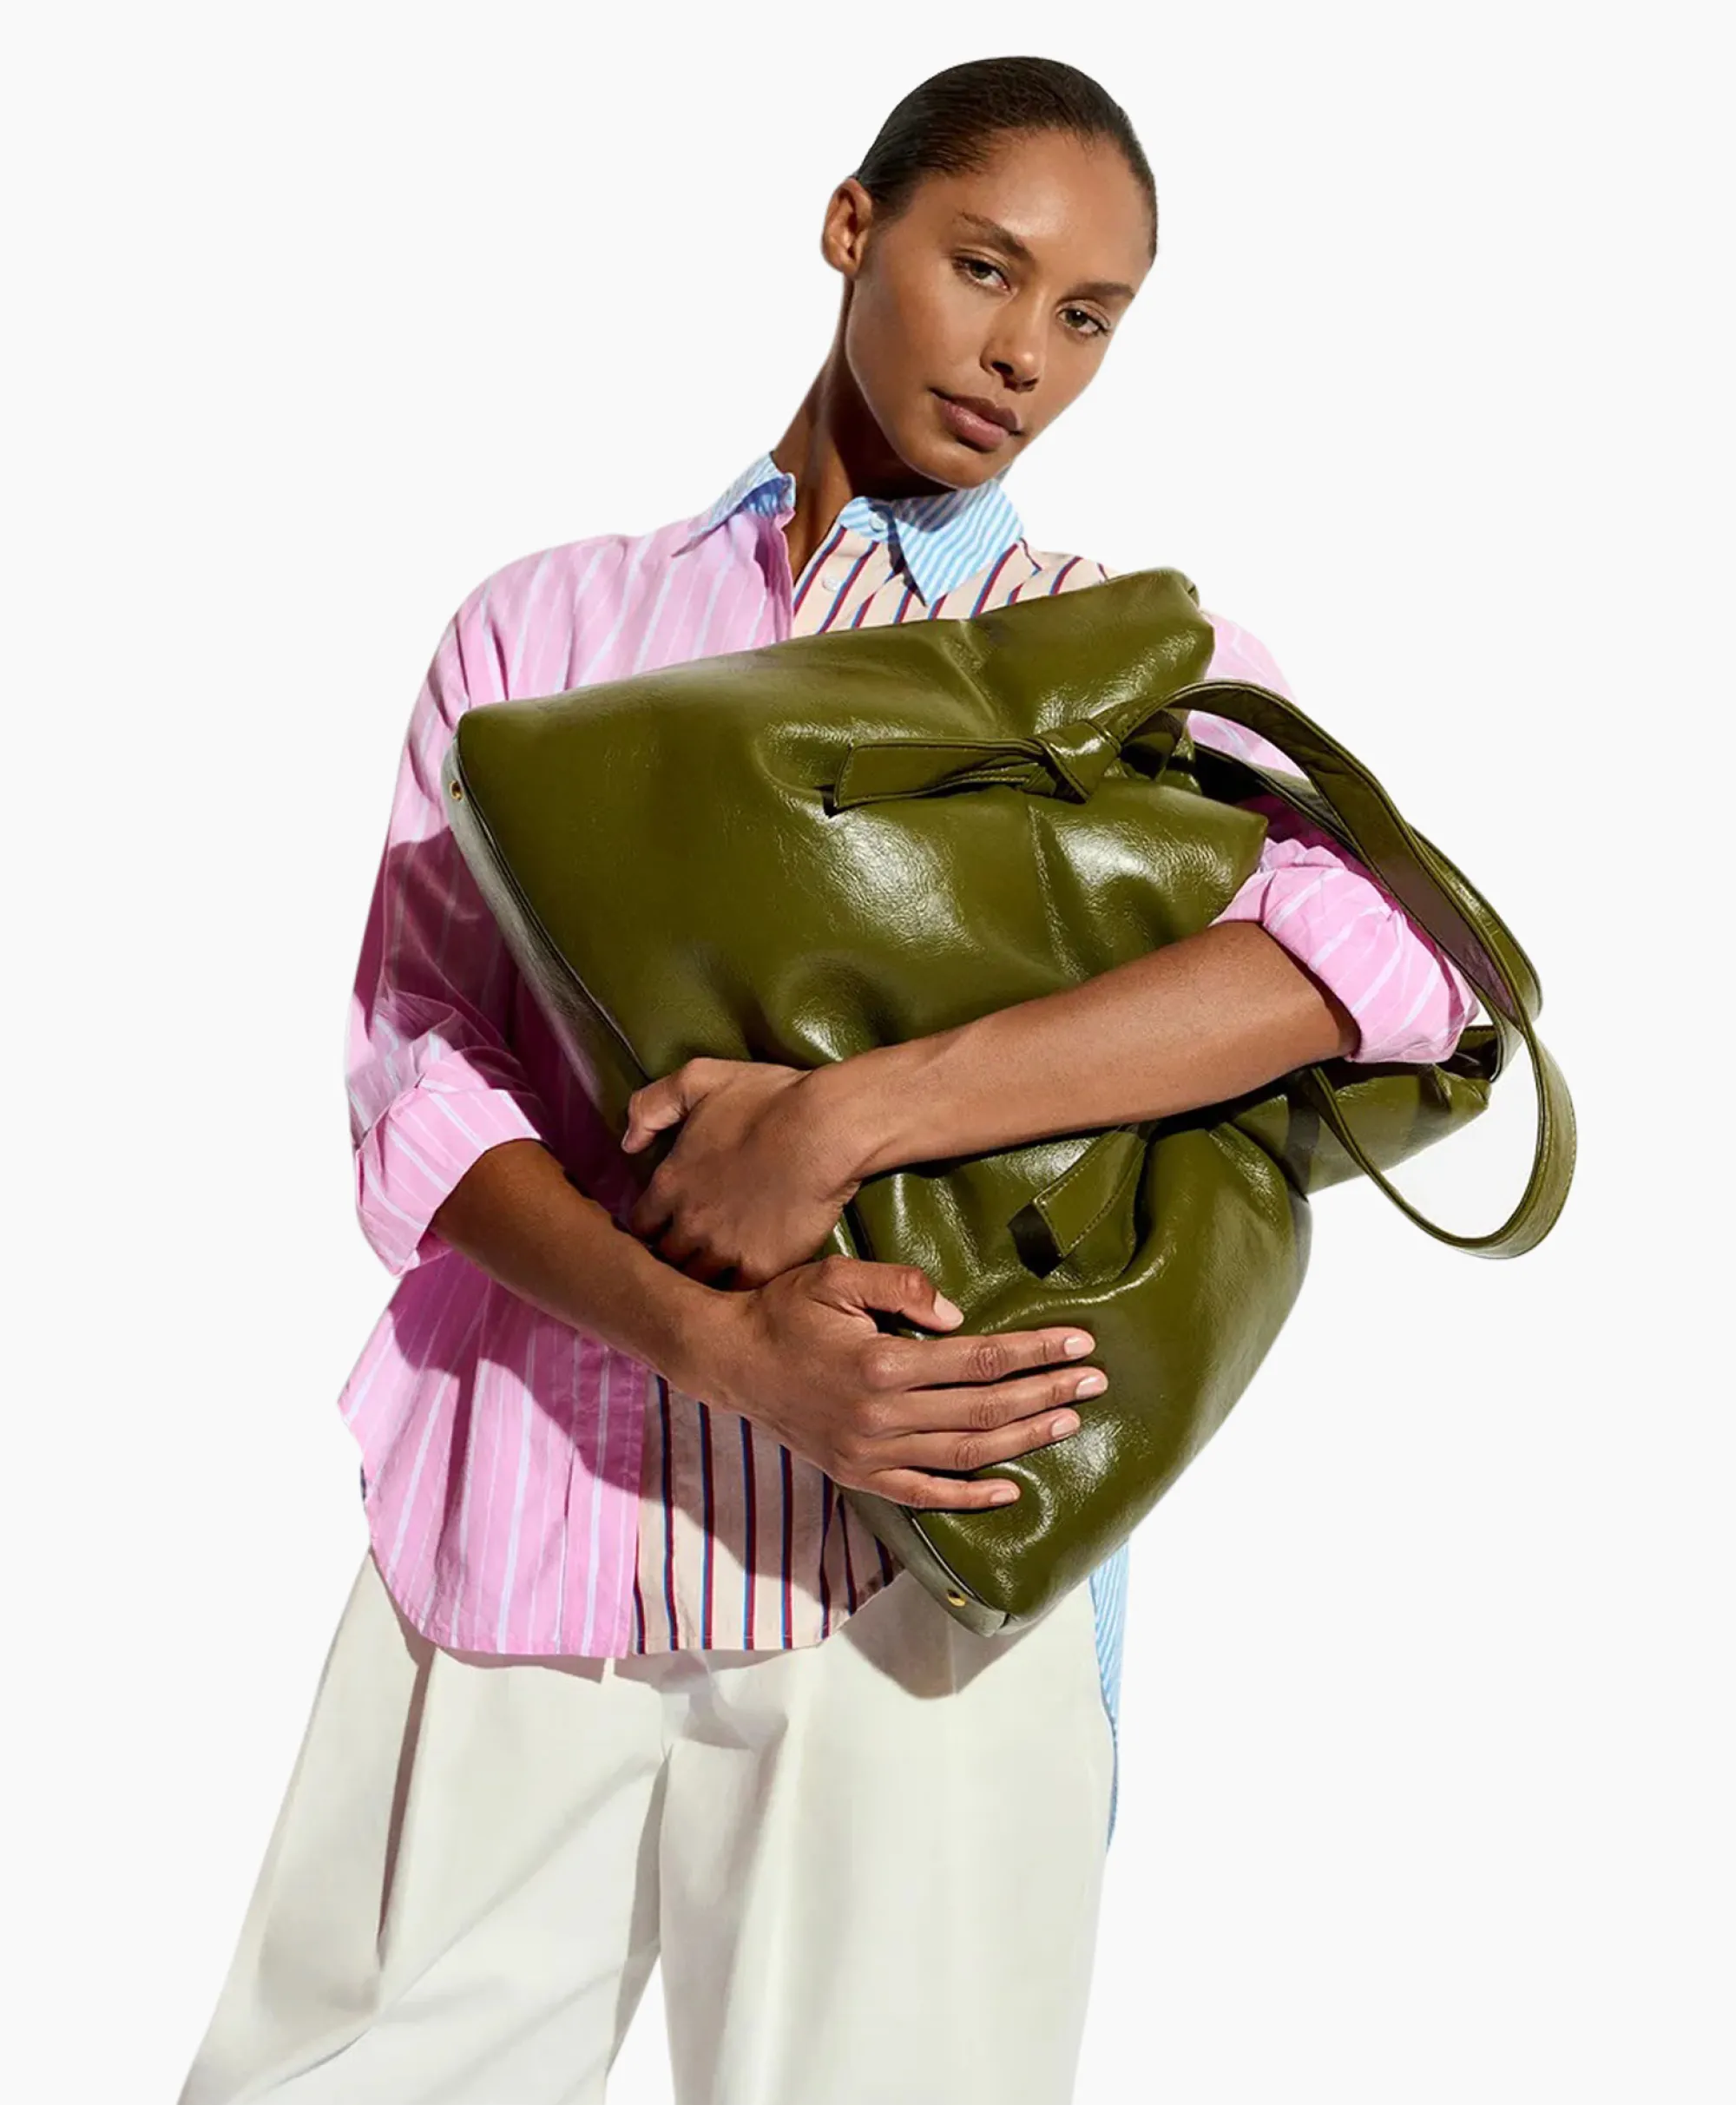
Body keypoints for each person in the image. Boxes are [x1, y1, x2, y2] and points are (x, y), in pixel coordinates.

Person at [175, 54, 1477, 2105]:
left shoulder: (1109, 657)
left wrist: (850, 1118)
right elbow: (417, 1087)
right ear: (851, 226)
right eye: (986, 267)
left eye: (1089, 316)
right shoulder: (551, 632)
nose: (1026, 355)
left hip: (922, 1553)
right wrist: (720, 1347)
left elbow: (1396, 963)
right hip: (524, 1508)